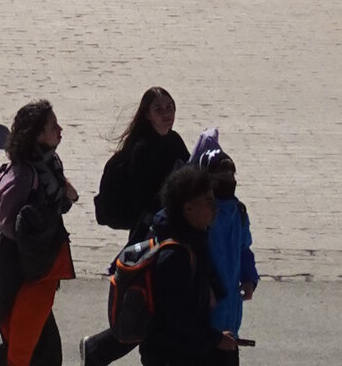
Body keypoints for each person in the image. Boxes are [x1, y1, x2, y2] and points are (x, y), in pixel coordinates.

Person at [0, 99, 79, 366]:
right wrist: (36, 222)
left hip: (38, 268)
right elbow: (7, 224)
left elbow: (56, 203)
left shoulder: (50, 163)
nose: (60, 129)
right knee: (29, 347)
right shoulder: (22, 175)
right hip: (19, 271)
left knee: (31, 344)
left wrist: (65, 195)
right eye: (52, 125)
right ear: (35, 134)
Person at [134, 162, 232, 362]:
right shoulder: (175, 254)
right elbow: (177, 316)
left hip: (182, 349)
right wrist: (215, 339)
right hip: (170, 354)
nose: (215, 208)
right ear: (188, 208)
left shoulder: (191, 236)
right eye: (208, 202)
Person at [94, 88, 190, 232]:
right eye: (158, 109)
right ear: (148, 115)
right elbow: (142, 197)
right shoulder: (141, 149)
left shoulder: (174, 140)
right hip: (148, 225)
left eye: (169, 107)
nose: (166, 113)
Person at [193, 133, 255, 349]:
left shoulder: (238, 211)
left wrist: (249, 278)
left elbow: (244, 249)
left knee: (228, 347)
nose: (229, 181)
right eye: (222, 177)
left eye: (231, 176)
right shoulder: (199, 213)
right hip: (205, 299)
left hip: (231, 301)